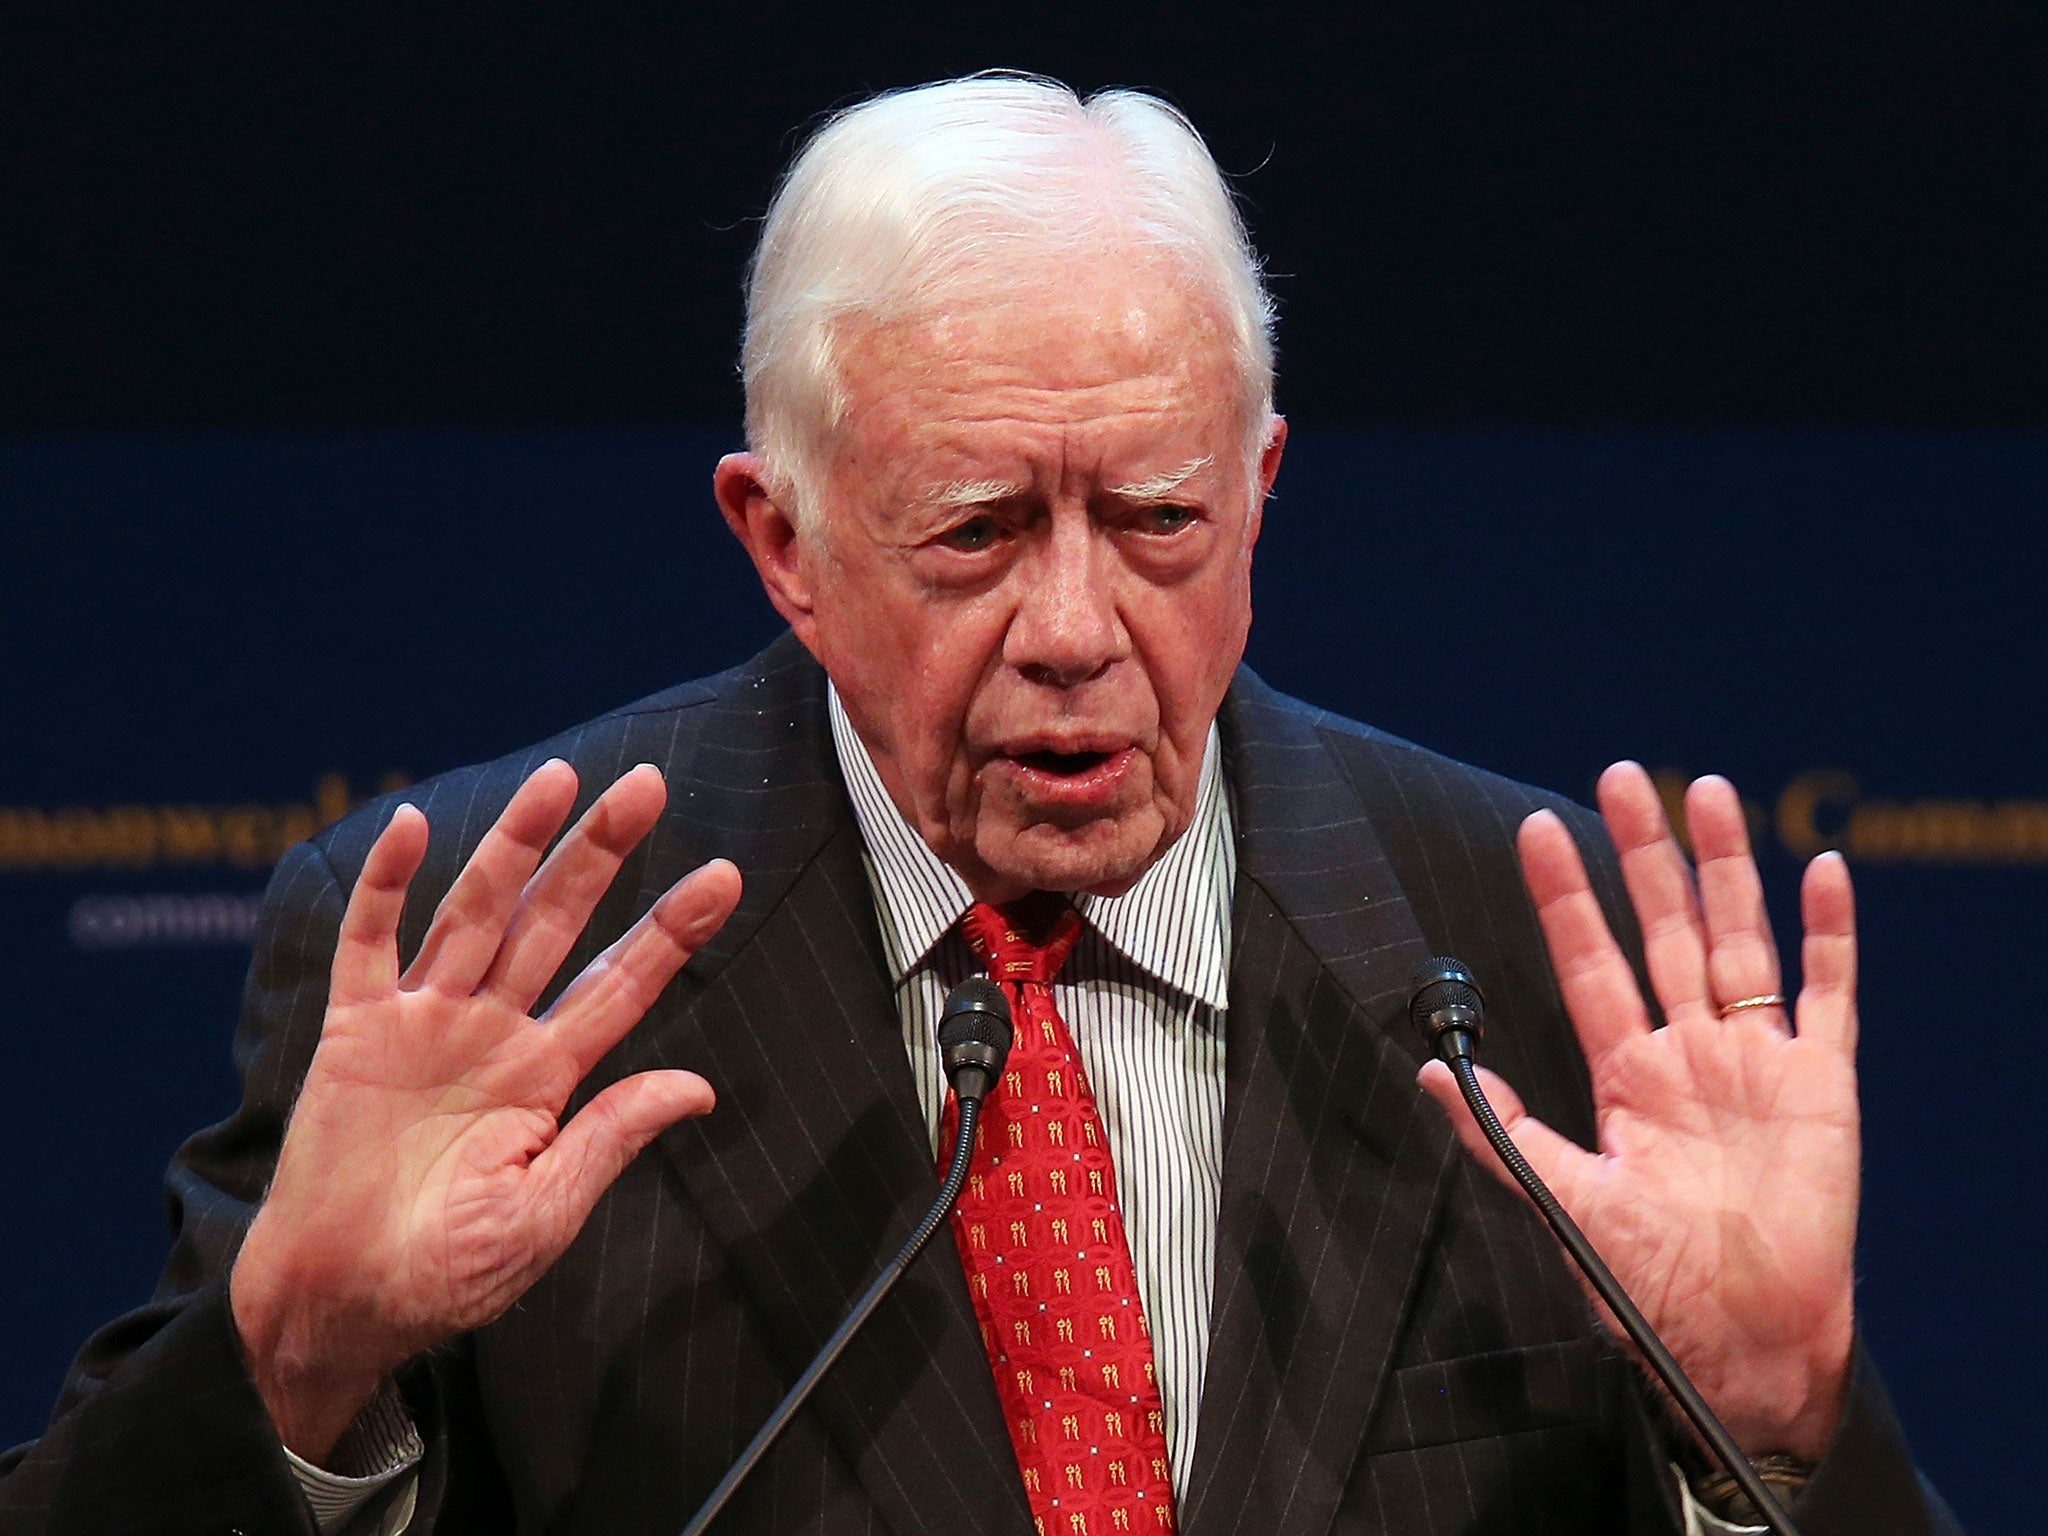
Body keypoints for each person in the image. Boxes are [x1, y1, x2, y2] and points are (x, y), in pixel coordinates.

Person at [0, 75, 1957, 1536]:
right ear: (785, 542)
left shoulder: (1528, 963)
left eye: (1160, 520)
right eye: (977, 532)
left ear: (1260, 493)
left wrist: (1778, 1430)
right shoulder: (492, 972)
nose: (1078, 628)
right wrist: (301, 1366)